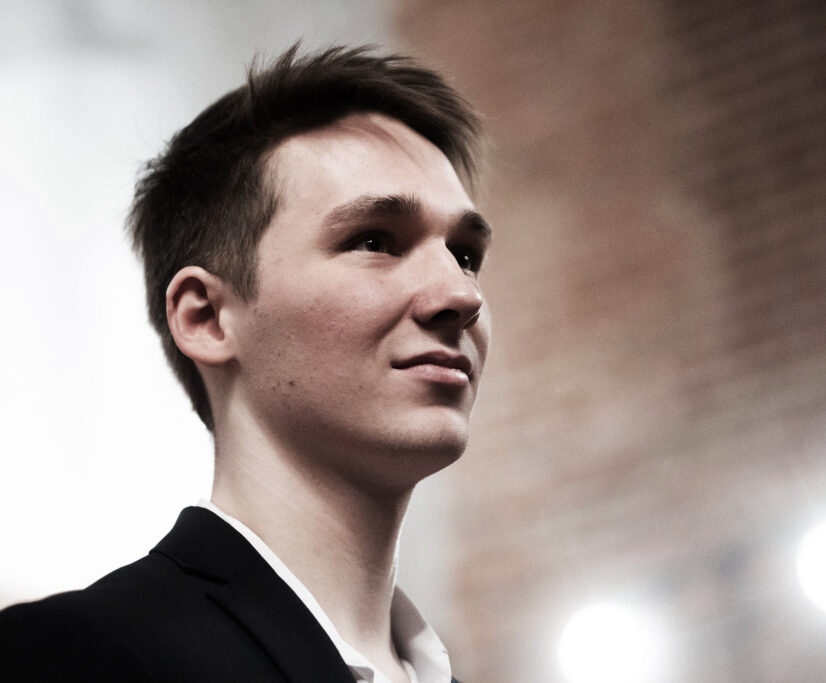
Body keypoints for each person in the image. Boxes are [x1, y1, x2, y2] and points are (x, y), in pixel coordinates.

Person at [0, 43, 490, 683]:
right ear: (206, 317)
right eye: (374, 241)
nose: (461, 296)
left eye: (465, 255)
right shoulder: (74, 658)